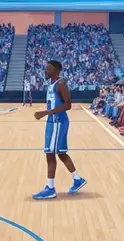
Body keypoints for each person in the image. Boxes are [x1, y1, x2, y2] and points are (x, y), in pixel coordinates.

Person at [33, 59, 86, 199]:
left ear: (56, 71)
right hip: (52, 121)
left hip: (59, 122)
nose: (45, 71)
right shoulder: (51, 84)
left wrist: (45, 113)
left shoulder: (61, 84)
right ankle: (77, 179)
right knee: (59, 153)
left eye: (48, 69)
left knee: (51, 153)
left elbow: (68, 105)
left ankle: (50, 188)